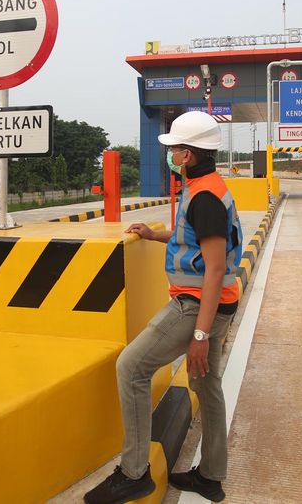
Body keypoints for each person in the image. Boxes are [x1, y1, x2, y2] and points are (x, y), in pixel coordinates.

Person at [85, 111, 243, 504]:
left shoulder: (204, 195)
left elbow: (216, 265)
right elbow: (198, 238)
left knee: (131, 367)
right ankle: (210, 476)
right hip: (219, 301)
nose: (170, 154)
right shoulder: (206, 186)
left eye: (174, 148)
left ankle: (134, 473)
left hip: (196, 306)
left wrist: (201, 335)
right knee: (207, 387)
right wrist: (155, 235)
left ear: (187, 154)